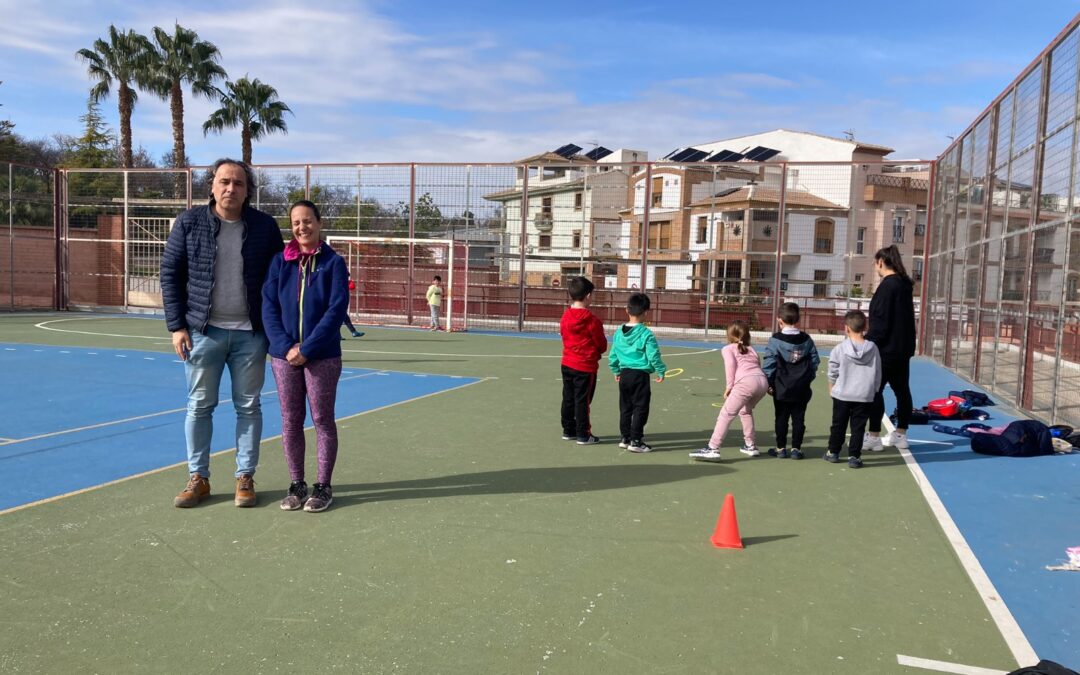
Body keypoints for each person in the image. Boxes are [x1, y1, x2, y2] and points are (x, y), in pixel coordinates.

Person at [161, 158, 284, 508]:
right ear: (212, 186)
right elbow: (170, 273)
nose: (231, 188)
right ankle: (198, 478)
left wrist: (276, 329)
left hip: (251, 335)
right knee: (199, 406)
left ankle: (245, 477)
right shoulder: (189, 223)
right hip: (202, 332)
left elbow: (277, 280)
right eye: (224, 181)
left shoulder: (264, 227)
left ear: (248, 191)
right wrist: (177, 326)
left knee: (249, 407)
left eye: (239, 183)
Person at [262, 200, 349, 512]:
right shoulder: (279, 263)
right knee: (290, 420)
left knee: (322, 419)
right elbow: (268, 307)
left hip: (322, 355)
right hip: (283, 356)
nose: (302, 227)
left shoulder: (334, 263)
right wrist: (287, 347)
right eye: (296, 222)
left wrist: (307, 348)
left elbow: (335, 309)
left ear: (319, 222)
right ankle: (297, 483)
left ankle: (323, 486)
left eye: (308, 220)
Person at [691, 320, 769, 461]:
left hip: (746, 383)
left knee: (726, 414)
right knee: (745, 411)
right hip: (762, 382)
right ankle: (750, 445)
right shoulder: (751, 349)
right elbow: (757, 365)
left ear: (729, 335)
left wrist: (729, 387)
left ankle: (713, 448)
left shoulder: (728, 349)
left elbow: (730, 367)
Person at [864, 245, 917, 452]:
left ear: (881, 262)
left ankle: (874, 436)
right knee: (902, 390)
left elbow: (881, 320)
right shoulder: (905, 284)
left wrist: (868, 342)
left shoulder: (888, 286)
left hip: (885, 349)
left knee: (874, 391)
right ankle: (901, 433)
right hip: (903, 348)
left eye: (875, 262)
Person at [609, 292, 667, 453]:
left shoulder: (619, 332)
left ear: (627, 310)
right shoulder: (646, 334)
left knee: (625, 407)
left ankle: (625, 437)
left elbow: (613, 354)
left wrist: (615, 369)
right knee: (640, 408)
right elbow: (653, 355)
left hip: (625, 374)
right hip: (640, 375)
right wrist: (661, 371)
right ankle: (636, 440)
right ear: (645, 312)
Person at [762, 302, 820, 460]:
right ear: (798, 320)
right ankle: (796, 449)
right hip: (801, 387)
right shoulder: (807, 339)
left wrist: (768, 383)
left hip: (781, 386)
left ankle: (781, 448)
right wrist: (808, 378)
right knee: (799, 418)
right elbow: (815, 361)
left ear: (779, 320)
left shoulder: (775, 340)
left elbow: (769, 363)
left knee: (781, 417)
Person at [825, 310, 882, 469]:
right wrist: (874, 390)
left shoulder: (840, 348)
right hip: (864, 395)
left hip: (842, 394)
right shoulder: (873, 348)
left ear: (846, 328)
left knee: (838, 425)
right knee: (858, 427)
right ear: (865, 327)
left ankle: (833, 452)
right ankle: (854, 456)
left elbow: (832, 370)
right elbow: (878, 372)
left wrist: (831, 388)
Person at [560, 276, 608, 445]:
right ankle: (583, 434)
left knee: (568, 397)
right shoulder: (592, 320)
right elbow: (601, 345)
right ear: (588, 295)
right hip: (585, 366)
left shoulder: (565, 316)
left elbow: (564, 336)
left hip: (567, 362)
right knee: (583, 401)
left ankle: (568, 429)